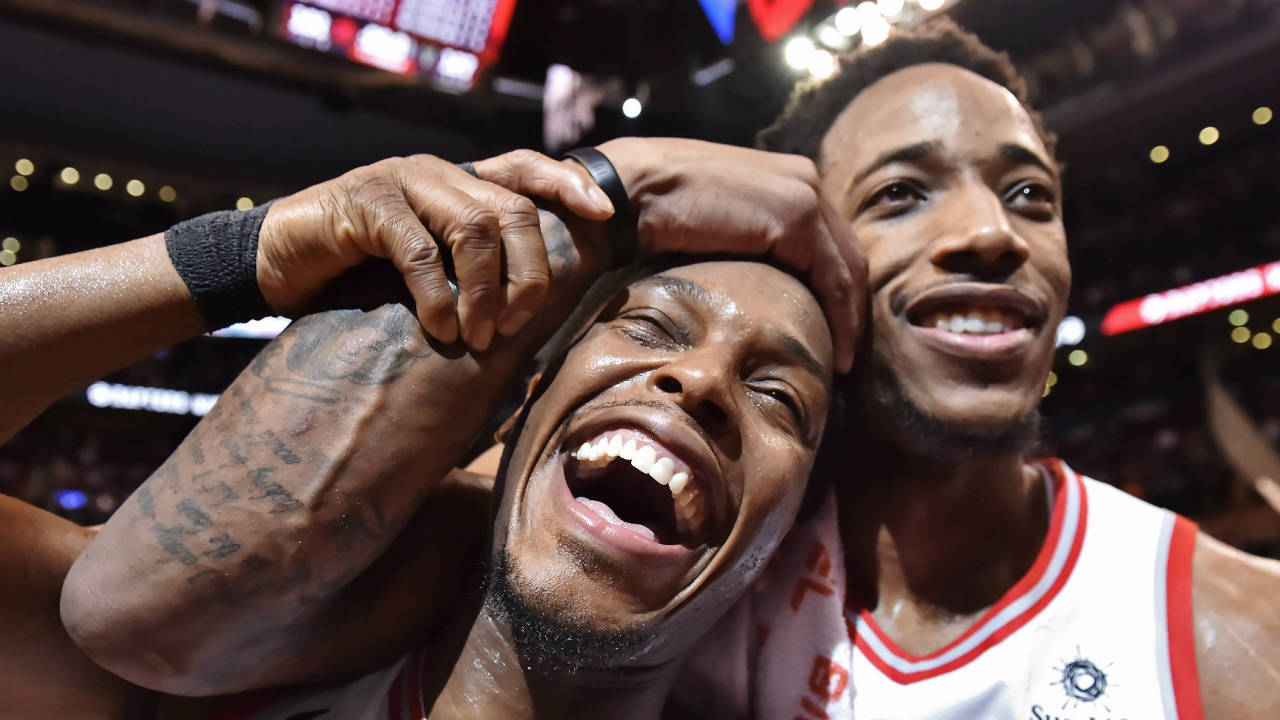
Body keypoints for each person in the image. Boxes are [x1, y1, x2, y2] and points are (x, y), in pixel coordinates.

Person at [56, 18, 1280, 718]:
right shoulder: (571, 540)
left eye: (1031, 196)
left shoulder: (1227, 631)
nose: (988, 233)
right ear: (803, 246)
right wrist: (607, 194)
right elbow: (140, 612)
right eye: (901, 194)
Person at [1, 149, 858, 718]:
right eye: (651, 330)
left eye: (779, 398)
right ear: (520, 415)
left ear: (788, 539)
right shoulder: (191, 689)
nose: (701, 381)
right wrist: (248, 255)